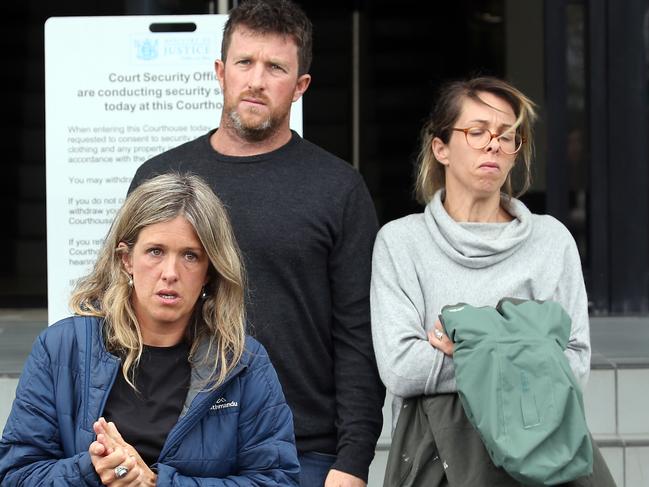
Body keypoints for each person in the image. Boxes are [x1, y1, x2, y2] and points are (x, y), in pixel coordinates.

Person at [128, 1, 384, 486]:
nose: (257, 80)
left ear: (301, 85)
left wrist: (352, 461)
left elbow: (357, 334)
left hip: (299, 447)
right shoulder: (160, 179)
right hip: (171, 441)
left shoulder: (338, 188)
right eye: (245, 63)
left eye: (276, 67)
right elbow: (121, 312)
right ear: (221, 72)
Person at [370, 77, 605, 483]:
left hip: (542, 454)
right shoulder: (401, 242)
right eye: (477, 132)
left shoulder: (552, 241)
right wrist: (527, 347)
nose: (494, 144)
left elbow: (574, 363)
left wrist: (466, 340)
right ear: (440, 148)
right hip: (436, 458)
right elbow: (402, 367)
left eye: (507, 136)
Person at [0, 173, 299, 486]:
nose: (170, 273)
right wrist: (94, 470)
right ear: (127, 259)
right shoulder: (62, 348)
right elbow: (16, 475)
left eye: (190, 255)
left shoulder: (243, 362)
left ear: (209, 271)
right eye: (155, 251)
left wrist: (158, 483)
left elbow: (277, 480)